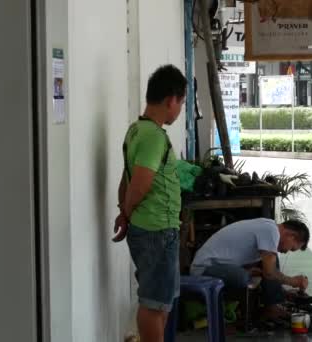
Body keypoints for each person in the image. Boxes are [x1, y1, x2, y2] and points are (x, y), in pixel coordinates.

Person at [112, 64, 187, 342]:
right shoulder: (154, 136)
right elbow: (140, 183)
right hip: (157, 230)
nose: (179, 110)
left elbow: (126, 177)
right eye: (181, 103)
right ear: (171, 100)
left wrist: (124, 213)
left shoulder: (135, 131)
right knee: (153, 304)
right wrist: (127, 213)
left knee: (159, 301)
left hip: (152, 227)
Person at [190, 218, 310, 319]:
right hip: (204, 268)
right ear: (291, 236)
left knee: (270, 260)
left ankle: (273, 304)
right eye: (292, 248)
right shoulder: (270, 230)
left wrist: (282, 291)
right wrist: (293, 281)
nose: (286, 252)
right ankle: (272, 307)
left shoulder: (268, 227)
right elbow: (269, 273)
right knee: (244, 276)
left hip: (220, 266)